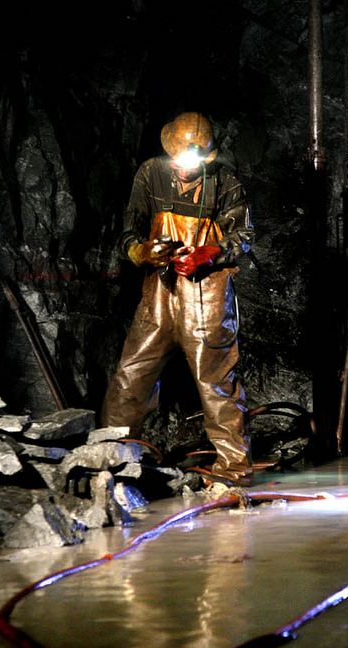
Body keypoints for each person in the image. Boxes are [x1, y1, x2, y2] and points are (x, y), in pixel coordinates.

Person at [102, 112, 255, 487]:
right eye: (178, 160)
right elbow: (128, 231)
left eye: (194, 161)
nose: (185, 169)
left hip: (206, 293)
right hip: (159, 290)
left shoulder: (225, 181)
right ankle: (107, 459)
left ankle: (233, 473)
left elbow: (246, 236)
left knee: (215, 381)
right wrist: (141, 252)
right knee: (132, 374)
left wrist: (210, 254)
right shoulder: (150, 174)